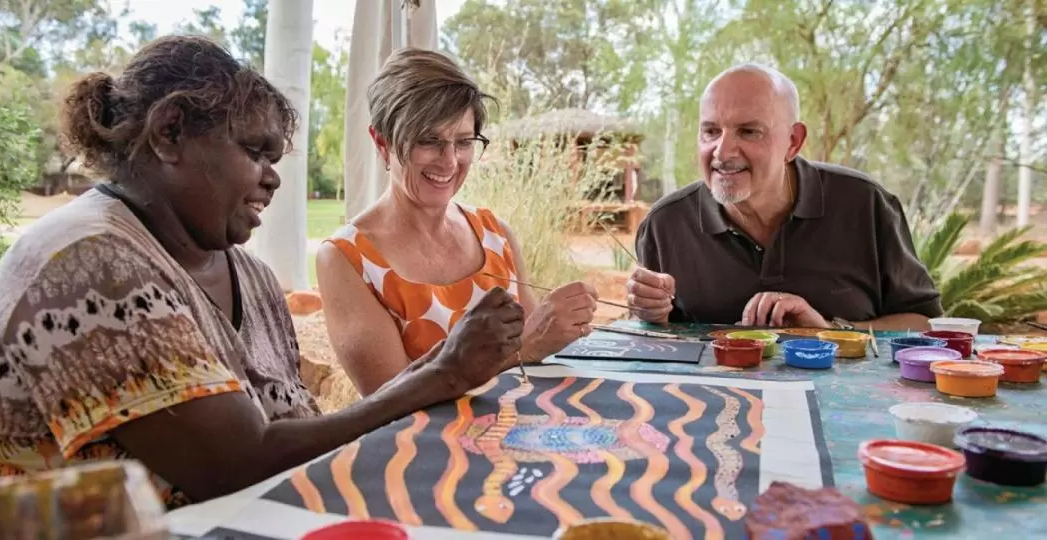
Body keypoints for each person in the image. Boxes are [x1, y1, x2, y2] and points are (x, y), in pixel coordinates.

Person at [0, 36, 526, 509]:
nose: (272, 179)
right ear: (169, 133)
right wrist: (444, 372)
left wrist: (448, 364)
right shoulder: (87, 260)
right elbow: (234, 465)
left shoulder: (248, 276)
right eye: (255, 151)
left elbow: (289, 429)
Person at [316, 48, 598, 396]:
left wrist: (564, 323)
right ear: (382, 142)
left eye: (464, 142)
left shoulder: (496, 234)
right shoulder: (347, 259)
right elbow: (389, 400)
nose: (449, 161)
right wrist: (529, 346)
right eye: (428, 141)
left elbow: (535, 360)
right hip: (424, 448)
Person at [626, 63, 942, 331]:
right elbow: (649, 339)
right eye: (710, 132)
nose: (722, 152)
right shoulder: (665, 224)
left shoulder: (866, 204)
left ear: (793, 141)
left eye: (748, 131)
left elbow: (923, 323)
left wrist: (829, 331)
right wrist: (651, 314)